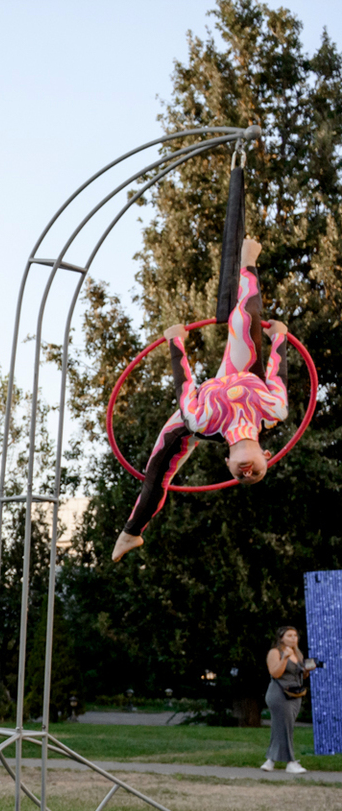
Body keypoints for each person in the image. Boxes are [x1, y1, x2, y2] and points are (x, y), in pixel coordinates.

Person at [114, 236, 291, 561]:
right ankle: (249, 261)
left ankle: (131, 532)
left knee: (157, 469)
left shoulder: (200, 422)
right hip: (242, 374)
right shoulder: (273, 411)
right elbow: (278, 373)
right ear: (267, 455)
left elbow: (185, 388)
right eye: (256, 474)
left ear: (227, 464)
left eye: (240, 476)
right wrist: (279, 337)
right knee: (245, 320)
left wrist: (176, 343)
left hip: (200, 409)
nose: (247, 474)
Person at [263, 626, 310, 774]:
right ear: (281, 638)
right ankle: (291, 762)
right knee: (285, 727)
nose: (293, 638)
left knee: (281, 727)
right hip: (279, 693)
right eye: (289, 635)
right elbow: (275, 673)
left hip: (294, 694)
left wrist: (307, 670)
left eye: (295, 635)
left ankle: (270, 761)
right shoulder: (275, 652)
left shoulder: (298, 654)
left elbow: (300, 675)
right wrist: (284, 658)